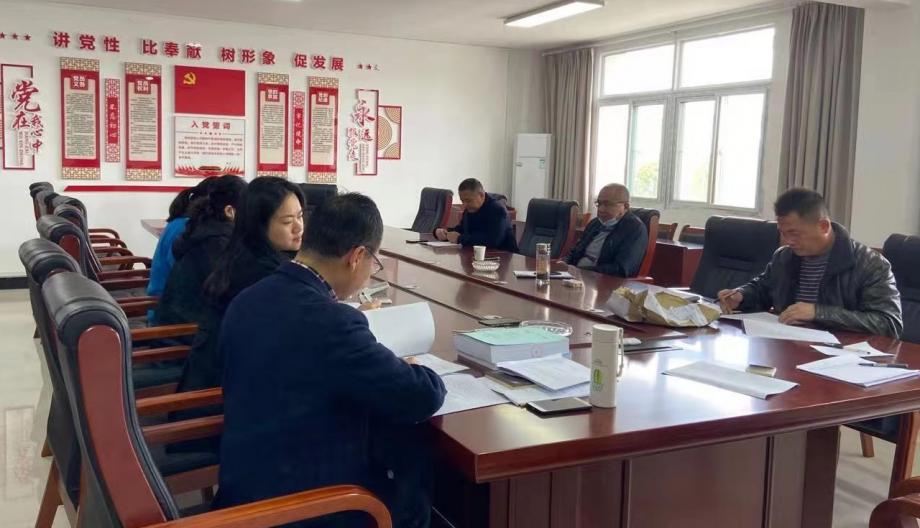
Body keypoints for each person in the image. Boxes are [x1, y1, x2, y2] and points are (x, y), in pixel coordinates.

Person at [215, 193, 446, 528]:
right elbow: (421, 396)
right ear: (357, 256)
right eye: (373, 263)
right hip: (301, 507)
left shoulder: (247, 299)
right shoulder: (332, 322)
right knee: (412, 480)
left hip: (243, 489)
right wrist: (415, 370)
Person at [718, 188, 902, 338]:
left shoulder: (870, 264)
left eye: (794, 233)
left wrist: (819, 313)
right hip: (787, 345)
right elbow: (763, 290)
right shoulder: (784, 257)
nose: (788, 241)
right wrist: (741, 296)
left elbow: (889, 324)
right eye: (783, 233)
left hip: (841, 356)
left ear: (823, 226)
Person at [154, 175, 246, 327]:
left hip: (179, 321)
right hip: (185, 332)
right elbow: (227, 295)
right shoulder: (217, 243)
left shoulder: (203, 229)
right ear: (230, 211)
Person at [146, 178, 214, 323]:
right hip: (167, 313)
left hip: (171, 305)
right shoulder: (186, 229)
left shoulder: (182, 223)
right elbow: (185, 276)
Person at [565, 183, 648, 277]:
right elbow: (574, 252)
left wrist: (580, 271)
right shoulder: (594, 223)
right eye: (599, 203)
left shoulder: (635, 229)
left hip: (602, 281)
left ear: (625, 206)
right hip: (575, 276)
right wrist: (564, 265)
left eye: (607, 204)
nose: (601, 209)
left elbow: (621, 269)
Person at [434, 178, 518, 251]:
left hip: (503, 258)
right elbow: (463, 230)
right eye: (462, 201)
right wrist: (444, 232)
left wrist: (459, 238)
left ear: (481, 195)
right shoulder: (469, 209)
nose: (464, 205)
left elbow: (493, 241)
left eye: (468, 200)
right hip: (477, 256)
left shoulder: (497, 209)